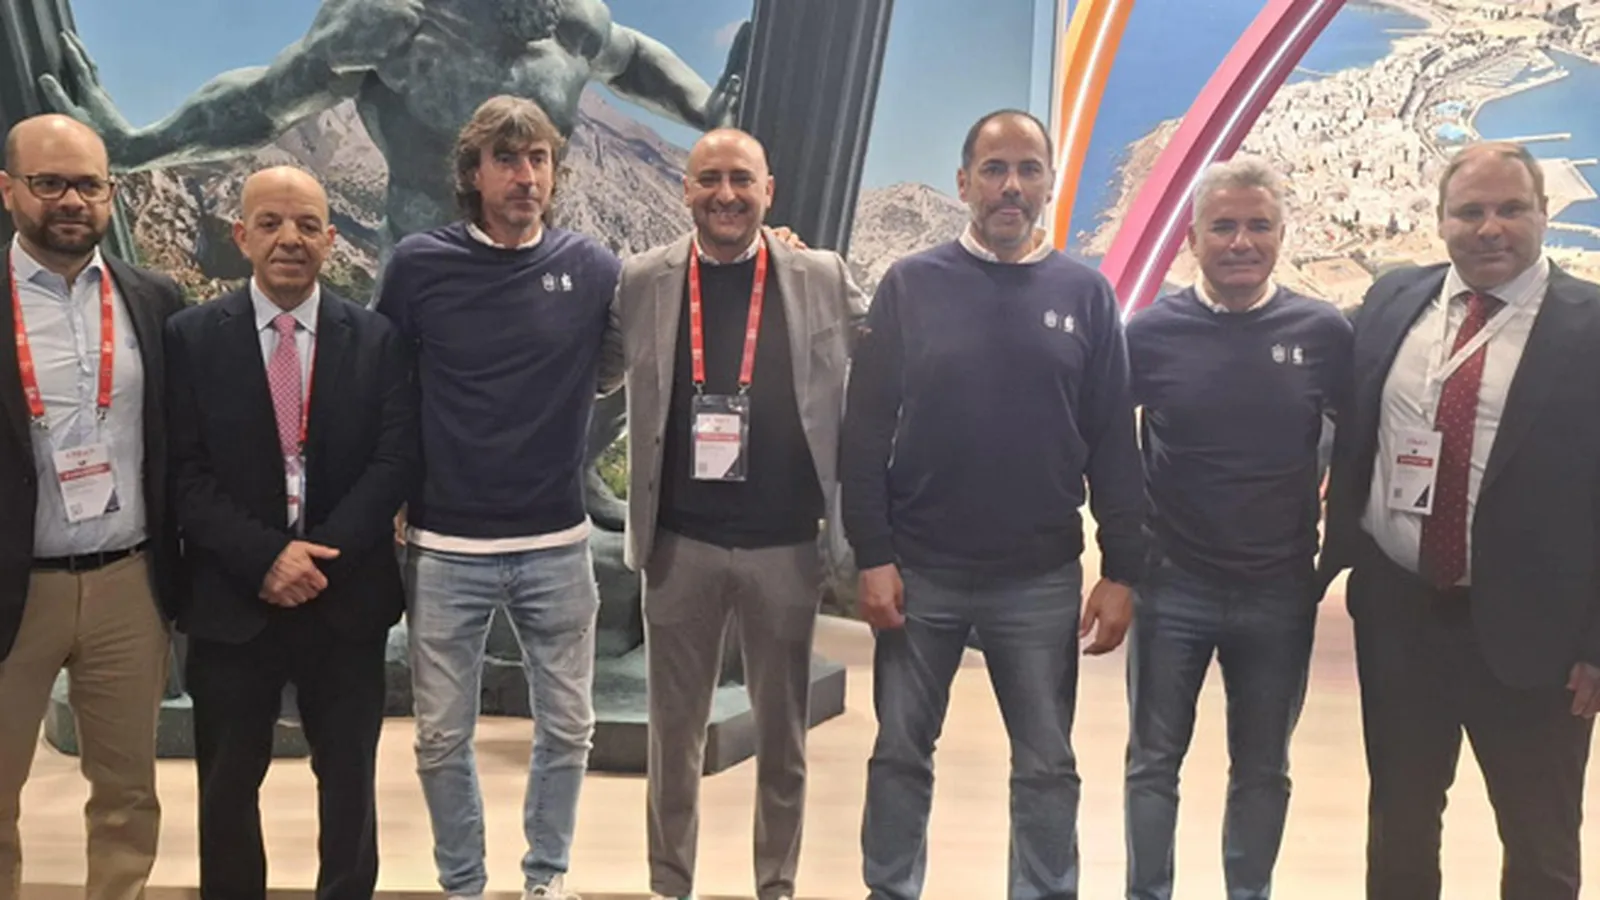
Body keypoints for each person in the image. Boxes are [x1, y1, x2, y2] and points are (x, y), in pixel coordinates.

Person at [841, 108, 1146, 900]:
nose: (1011, 186)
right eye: (995, 169)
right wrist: (871, 555)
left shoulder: (1087, 296)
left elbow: (1114, 441)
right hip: (921, 571)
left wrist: (1122, 570)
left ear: (1049, 184)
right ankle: (889, 889)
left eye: (1028, 170)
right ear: (964, 182)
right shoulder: (911, 285)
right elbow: (864, 431)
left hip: (1039, 578)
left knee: (1047, 765)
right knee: (900, 754)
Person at [1320, 140, 1600, 899]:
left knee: (1540, 843)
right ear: (1441, 220)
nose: (1490, 228)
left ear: (1544, 214)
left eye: (1511, 209)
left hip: (1537, 637)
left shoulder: (1590, 326)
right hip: (1401, 615)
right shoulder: (1394, 301)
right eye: (1469, 211)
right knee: (1400, 827)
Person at [373, 95, 624, 900]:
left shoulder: (592, 269)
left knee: (570, 727)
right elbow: (388, 384)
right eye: (507, 159)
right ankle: (464, 886)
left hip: (556, 544)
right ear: (472, 173)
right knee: (442, 738)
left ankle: (546, 878)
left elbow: (612, 366)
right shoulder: (419, 265)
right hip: (447, 546)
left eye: (538, 159)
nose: (525, 176)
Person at [613, 127, 866, 900]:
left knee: (783, 736)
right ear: (686, 189)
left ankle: (776, 884)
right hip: (678, 545)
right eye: (710, 179)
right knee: (673, 736)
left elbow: (884, 356)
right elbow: (594, 371)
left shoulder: (820, 275)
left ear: (769, 191)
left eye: (742, 180)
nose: (726, 195)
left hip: (784, 547)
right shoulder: (644, 280)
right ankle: (669, 885)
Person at [164, 165, 418, 900]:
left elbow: (395, 462)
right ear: (240, 235)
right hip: (232, 598)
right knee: (226, 784)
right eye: (270, 223)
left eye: (307, 225)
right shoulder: (190, 337)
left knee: (349, 783)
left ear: (330, 239)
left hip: (345, 597)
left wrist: (316, 559)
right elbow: (183, 472)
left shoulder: (376, 339)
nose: (289, 239)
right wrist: (267, 558)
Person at [1122, 156, 1352, 900]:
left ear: (1282, 235)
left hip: (1279, 592)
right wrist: (1122, 556)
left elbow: (1360, 437)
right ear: (1193, 239)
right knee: (1152, 765)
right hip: (1172, 587)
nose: (1241, 242)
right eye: (1223, 226)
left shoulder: (1323, 332)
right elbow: (1106, 441)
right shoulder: (1151, 333)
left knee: (1262, 769)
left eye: (1259, 225)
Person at [0, 114, 184, 900]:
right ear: (8, 190)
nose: (71, 201)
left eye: (89, 184)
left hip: (127, 585)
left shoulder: (155, 299)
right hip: (13, 588)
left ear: (111, 194)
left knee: (127, 796)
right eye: (49, 183)